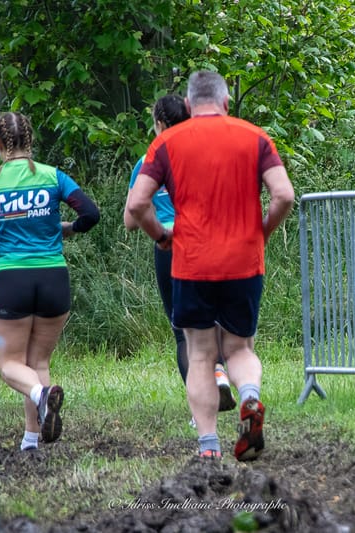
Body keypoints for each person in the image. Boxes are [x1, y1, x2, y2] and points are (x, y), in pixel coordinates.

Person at [127, 70, 294, 460]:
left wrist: (161, 237)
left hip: (191, 261)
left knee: (200, 353)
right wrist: (263, 231)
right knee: (239, 349)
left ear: (188, 105)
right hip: (244, 261)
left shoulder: (166, 142)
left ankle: (209, 447)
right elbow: (284, 195)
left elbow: (136, 206)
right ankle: (249, 396)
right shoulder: (255, 137)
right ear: (226, 102)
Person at [0, 111, 100, 451]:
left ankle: (42, 395)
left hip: (12, 280)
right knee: (38, 363)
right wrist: (68, 229)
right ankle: (31, 440)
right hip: (54, 278)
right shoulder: (53, 176)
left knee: (10, 366)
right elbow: (90, 214)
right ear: (30, 140)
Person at [122, 95, 236, 418]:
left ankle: (202, 411)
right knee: (214, 319)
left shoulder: (148, 162)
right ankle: (219, 373)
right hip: (209, 242)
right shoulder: (208, 154)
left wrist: (158, 225)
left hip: (170, 246)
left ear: (159, 124)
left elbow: (131, 219)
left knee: (183, 333)